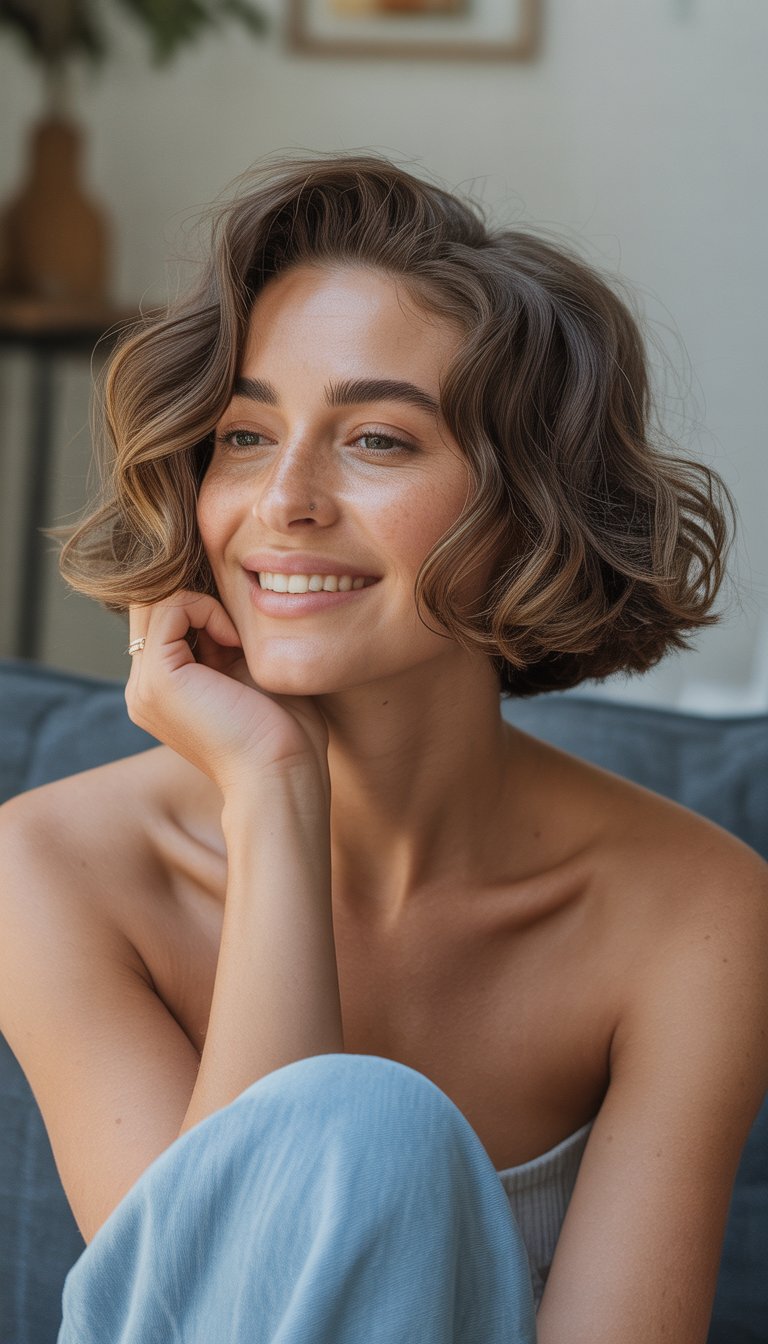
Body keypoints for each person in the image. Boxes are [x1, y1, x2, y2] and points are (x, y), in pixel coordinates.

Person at [1, 149, 766, 1344]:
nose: (286, 501)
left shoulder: (700, 913)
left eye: (379, 442)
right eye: (245, 437)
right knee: (361, 1121)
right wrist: (270, 790)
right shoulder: (43, 866)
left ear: (531, 509)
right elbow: (226, 1305)